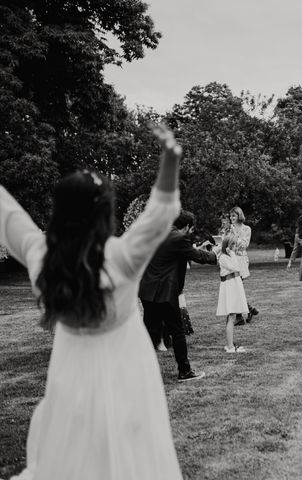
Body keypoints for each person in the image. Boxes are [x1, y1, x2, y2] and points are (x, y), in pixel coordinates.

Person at [0, 125, 186, 479]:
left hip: (69, 372)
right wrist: (170, 159)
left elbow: (9, 218)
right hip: (128, 372)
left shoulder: (42, 257)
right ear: (105, 214)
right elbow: (160, 213)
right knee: (135, 453)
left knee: (74, 455)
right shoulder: (121, 256)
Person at [139, 209, 217, 381]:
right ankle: (185, 371)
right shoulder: (179, 238)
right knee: (177, 330)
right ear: (187, 226)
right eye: (191, 229)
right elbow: (198, 257)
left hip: (147, 290)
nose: (191, 232)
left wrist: (194, 247)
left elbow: (174, 253)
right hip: (165, 293)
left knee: (148, 332)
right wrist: (215, 254)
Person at [216, 235, 249, 353]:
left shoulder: (229, 256)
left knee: (232, 316)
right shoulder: (224, 257)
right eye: (233, 245)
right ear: (228, 246)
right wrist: (233, 254)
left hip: (234, 285)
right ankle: (230, 347)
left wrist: (234, 255)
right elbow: (235, 267)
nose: (235, 247)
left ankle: (230, 344)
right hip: (230, 287)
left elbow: (239, 268)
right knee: (231, 316)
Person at [228, 206, 258, 325]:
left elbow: (244, 245)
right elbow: (227, 243)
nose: (231, 218)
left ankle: (242, 315)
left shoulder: (247, 229)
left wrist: (235, 233)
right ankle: (247, 311)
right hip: (231, 260)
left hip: (240, 261)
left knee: (236, 288)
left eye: (233, 216)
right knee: (235, 289)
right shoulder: (229, 229)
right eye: (230, 216)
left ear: (239, 215)